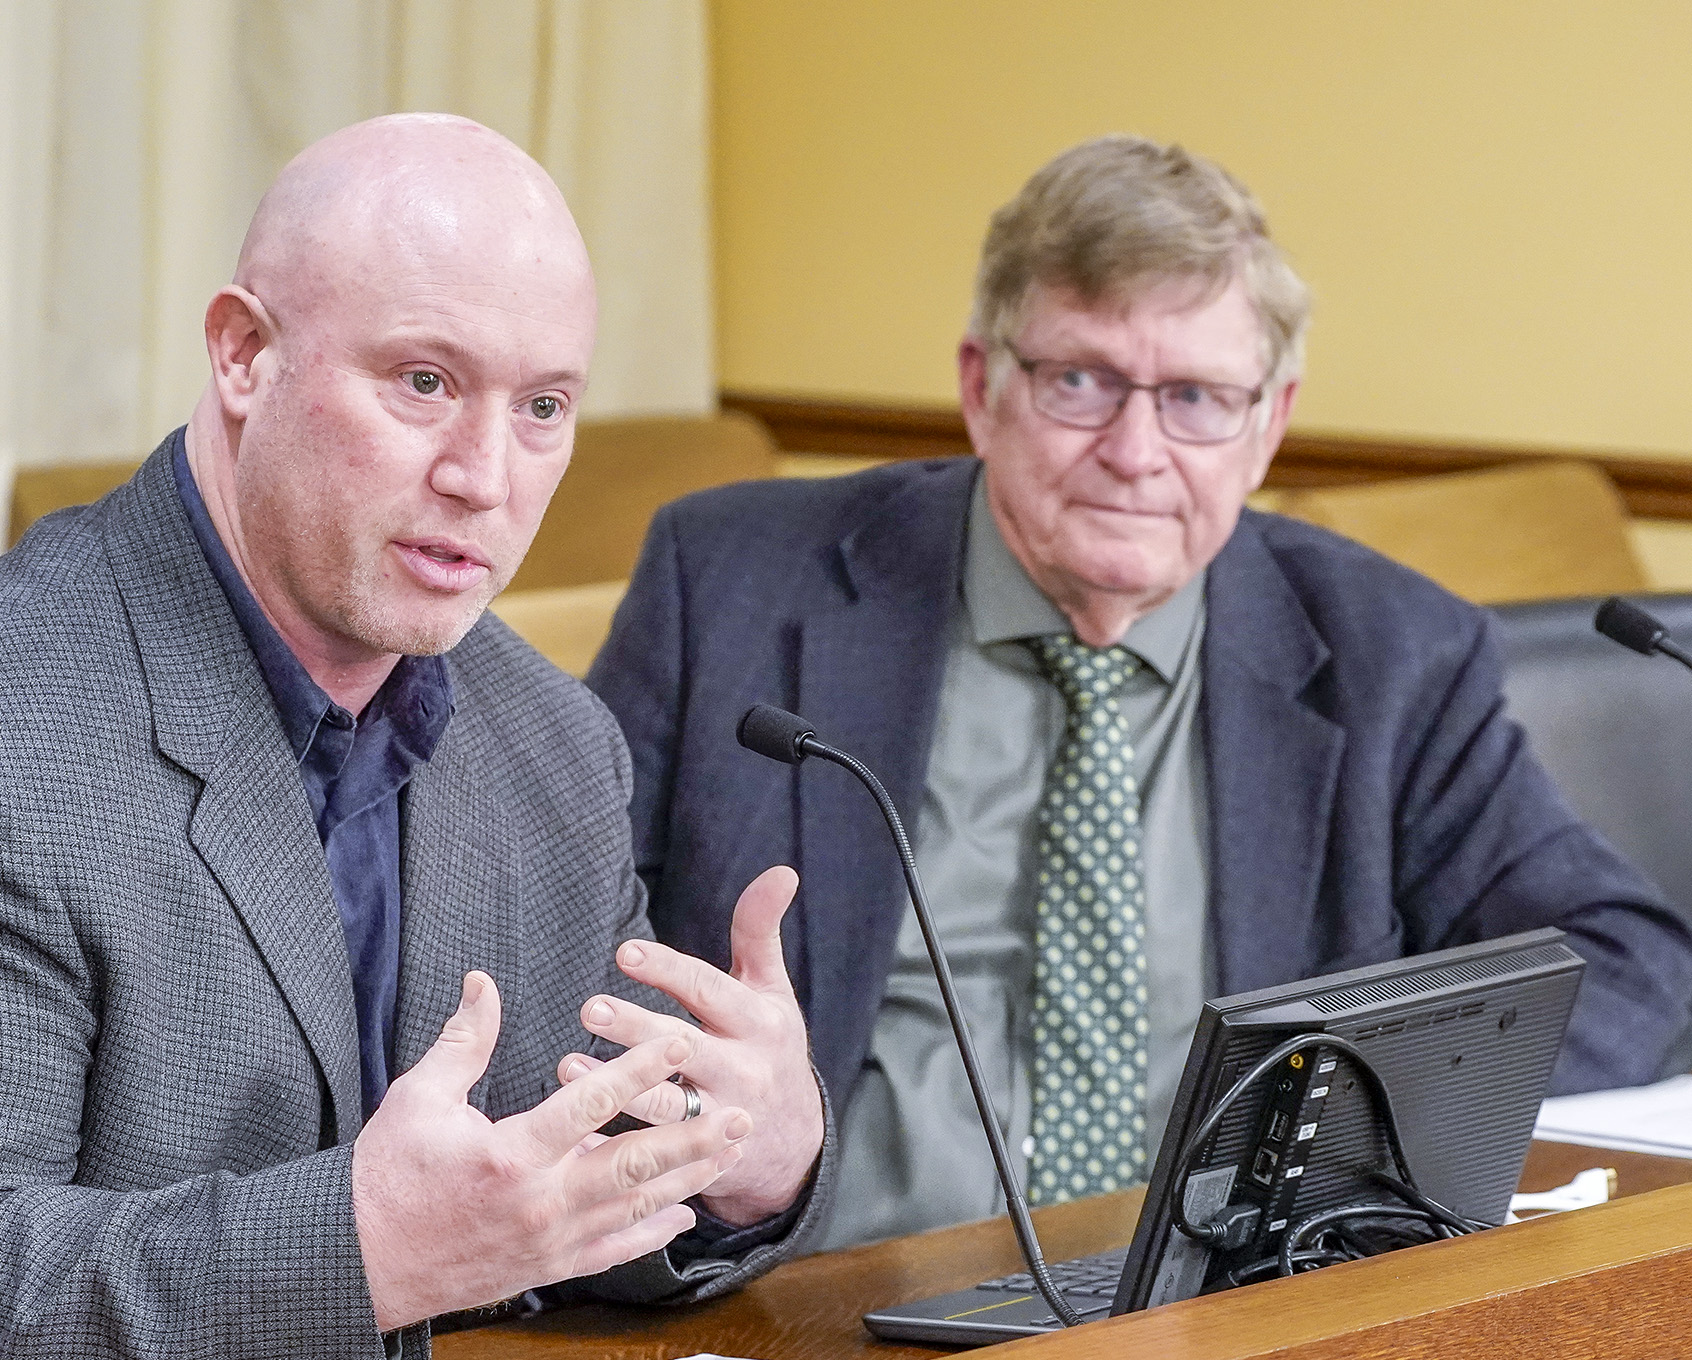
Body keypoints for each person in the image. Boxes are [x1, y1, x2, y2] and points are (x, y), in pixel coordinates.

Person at [0, 114, 829, 1360]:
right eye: (424, 382)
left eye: (542, 406)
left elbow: (539, 1187)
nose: (489, 477)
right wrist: (366, 1253)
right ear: (242, 353)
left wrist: (742, 1158)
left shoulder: (549, 738)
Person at [587, 135, 1692, 1253]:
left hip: (1226, 1310)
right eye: (1081, 383)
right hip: (814, 1291)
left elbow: (1621, 960)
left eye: (1199, 399)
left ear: (1269, 424)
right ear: (982, 387)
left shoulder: (1387, 650)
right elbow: (563, 945)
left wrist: (1341, 1156)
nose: (1135, 450)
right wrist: (726, 1141)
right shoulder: (727, 584)